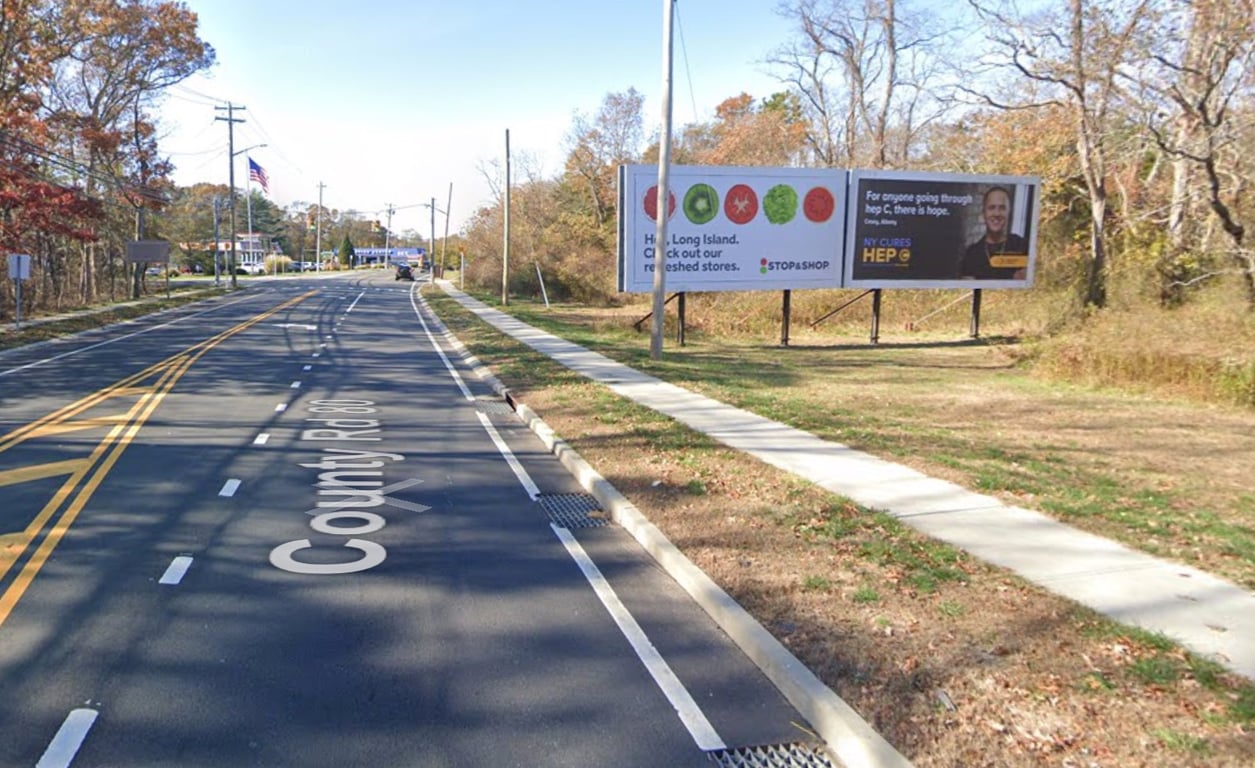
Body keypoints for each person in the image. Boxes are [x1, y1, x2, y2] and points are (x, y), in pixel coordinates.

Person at [959, 186, 1028, 279]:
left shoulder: (1022, 246)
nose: (996, 213)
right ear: (984, 213)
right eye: (991, 208)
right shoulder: (972, 254)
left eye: (1002, 208)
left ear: (1009, 212)